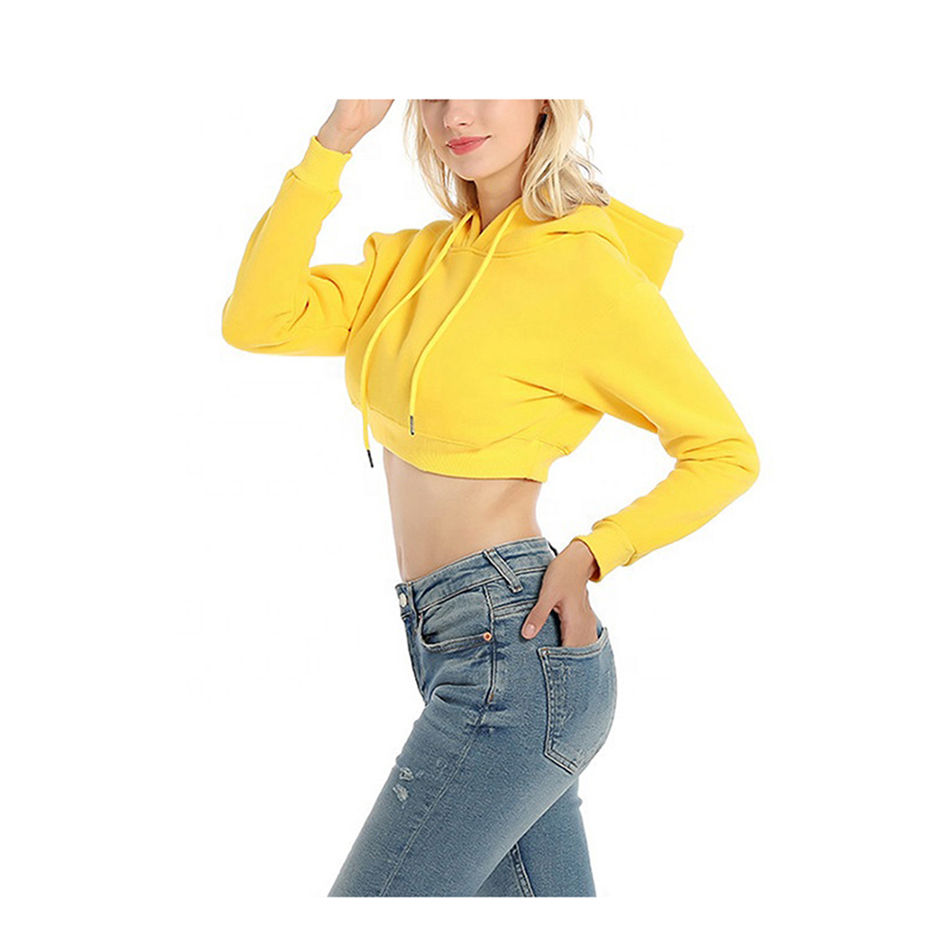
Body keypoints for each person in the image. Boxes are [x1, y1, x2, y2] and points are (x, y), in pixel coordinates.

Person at [221, 99, 759, 896]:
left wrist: (594, 552)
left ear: (544, 99)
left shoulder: (583, 269)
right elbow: (256, 321)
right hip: (448, 637)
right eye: (437, 90)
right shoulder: (413, 261)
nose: (457, 113)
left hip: (515, 641)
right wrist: (335, 141)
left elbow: (724, 453)